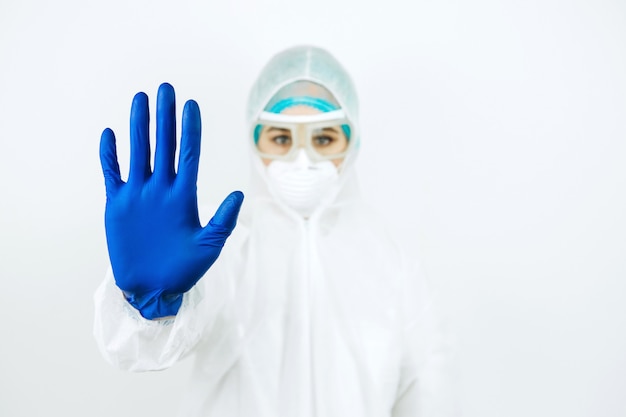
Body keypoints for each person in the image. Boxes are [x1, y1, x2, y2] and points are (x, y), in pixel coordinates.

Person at [94, 45, 455, 417]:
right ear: (255, 141)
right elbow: (137, 350)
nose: (302, 158)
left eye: (324, 138)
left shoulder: (391, 265)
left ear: (353, 142)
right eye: (281, 138)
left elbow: (428, 392)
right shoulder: (226, 253)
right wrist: (148, 304)